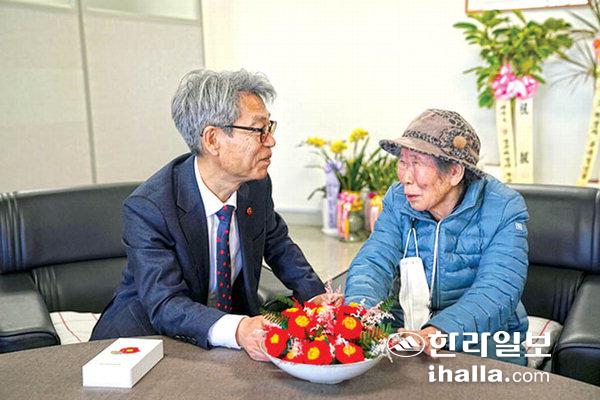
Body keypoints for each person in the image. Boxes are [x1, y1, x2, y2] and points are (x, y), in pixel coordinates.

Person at [91, 69, 329, 361]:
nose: (270, 141)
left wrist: (316, 296)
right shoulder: (149, 208)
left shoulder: (255, 185)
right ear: (213, 139)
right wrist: (239, 329)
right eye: (258, 130)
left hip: (223, 341)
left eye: (270, 127)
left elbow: (278, 245)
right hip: (148, 341)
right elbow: (165, 304)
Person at [344, 109, 529, 365]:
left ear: (454, 172)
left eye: (417, 163)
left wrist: (437, 332)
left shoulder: (504, 208)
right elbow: (374, 261)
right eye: (403, 162)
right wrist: (358, 314)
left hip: (482, 334)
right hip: (406, 325)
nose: (406, 178)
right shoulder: (398, 199)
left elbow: (497, 290)